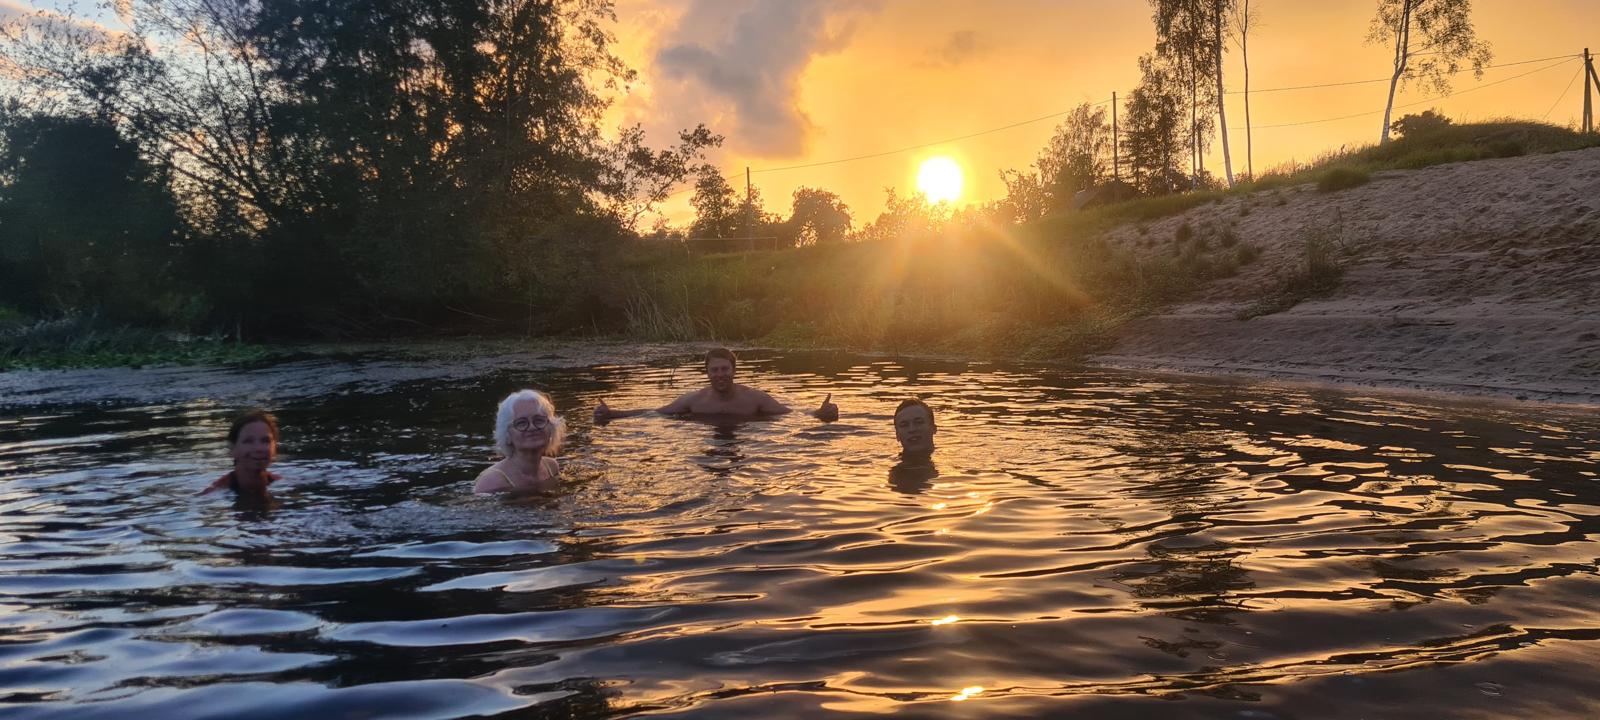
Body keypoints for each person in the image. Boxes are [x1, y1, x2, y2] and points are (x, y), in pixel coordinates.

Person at [593, 348, 838, 423]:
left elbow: (790, 414)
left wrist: (819, 413)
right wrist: (612, 414)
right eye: (715, 370)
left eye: (725, 369)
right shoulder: (694, 400)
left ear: (734, 370)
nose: (720, 375)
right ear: (707, 373)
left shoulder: (755, 399)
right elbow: (655, 413)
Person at [474, 389, 566, 494]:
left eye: (539, 420)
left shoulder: (552, 467)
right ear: (507, 435)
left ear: (551, 428)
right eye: (521, 423)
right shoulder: (491, 482)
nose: (532, 427)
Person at [201, 409, 280, 497]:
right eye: (248, 441)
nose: (258, 448)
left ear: (275, 447)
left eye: (265, 440)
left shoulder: (283, 485)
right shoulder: (212, 494)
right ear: (232, 449)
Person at [889, 398, 938, 494]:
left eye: (918, 422)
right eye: (904, 425)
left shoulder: (953, 462)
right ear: (897, 435)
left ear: (933, 428)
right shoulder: (892, 471)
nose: (912, 429)